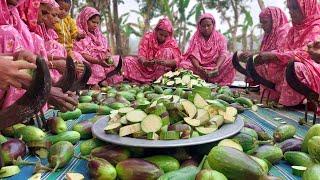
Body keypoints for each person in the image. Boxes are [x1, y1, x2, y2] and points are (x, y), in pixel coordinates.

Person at [253, 0, 320, 107]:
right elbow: (282, 50)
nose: (291, 12)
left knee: (295, 67)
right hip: (292, 62)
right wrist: (269, 56)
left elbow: (306, 53)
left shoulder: (317, 26)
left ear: (307, 8)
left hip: (313, 69)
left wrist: (275, 56)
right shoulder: (293, 30)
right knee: (266, 64)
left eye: (295, 8)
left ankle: (302, 101)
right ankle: (275, 97)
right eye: (289, 8)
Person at [239, 7, 290, 101]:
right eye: (261, 23)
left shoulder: (284, 31)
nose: (262, 26)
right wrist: (250, 56)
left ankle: (278, 93)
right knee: (252, 62)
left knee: (259, 64)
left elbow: (280, 53)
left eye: (265, 22)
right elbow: (263, 52)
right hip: (270, 61)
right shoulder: (268, 35)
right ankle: (267, 91)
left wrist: (254, 55)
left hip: (281, 64)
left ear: (274, 20)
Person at [179, 13, 235, 85]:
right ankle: (201, 78)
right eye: (203, 26)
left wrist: (217, 66)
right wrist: (198, 67)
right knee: (183, 65)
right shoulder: (195, 38)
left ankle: (218, 81)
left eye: (208, 25)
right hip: (199, 68)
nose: (206, 28)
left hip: (215, 67)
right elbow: (193, 55)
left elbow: (223, 53)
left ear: (213, 25)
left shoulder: (220, 37)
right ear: (199, 26)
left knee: (232, 60)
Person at [122, 17, 181, 84]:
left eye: (165, 36)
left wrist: (166, 62)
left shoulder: (171, 42)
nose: (162, 38)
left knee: (166, 51)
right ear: (156, 31)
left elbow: (177, 60)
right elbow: (141, 54)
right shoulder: (148, 37)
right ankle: (143, 79)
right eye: (161, 34)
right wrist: (145, 62)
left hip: (163, 71)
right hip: (146, 68)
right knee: (128, 60)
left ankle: (159, 81)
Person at [73, 6, 122, 87]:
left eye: (97, 23)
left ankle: (103, 80)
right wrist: (98, 61)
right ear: (85, 20)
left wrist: (108, 57)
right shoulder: (79, 34)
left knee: (117, 60)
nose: (95, 25)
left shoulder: (98, 35)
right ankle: (93, 83)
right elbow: (83, 54)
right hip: (89, 61)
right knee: (94, 67)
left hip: (101, 61)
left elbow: (105, 50)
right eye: (93, 22)